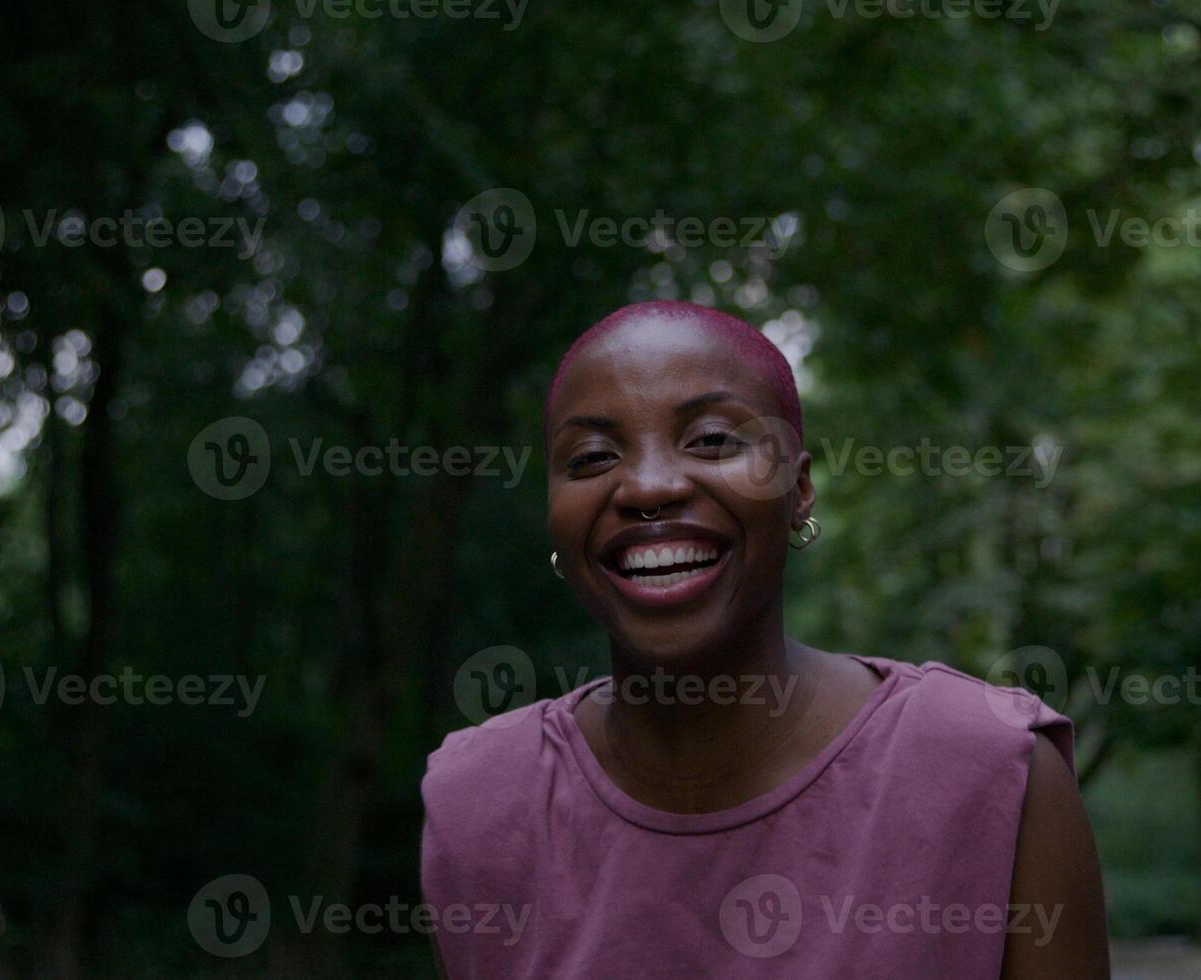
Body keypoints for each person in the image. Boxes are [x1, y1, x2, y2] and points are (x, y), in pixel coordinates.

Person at [420, 300, 1109, 978]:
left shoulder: (994, 771)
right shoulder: (481, 801)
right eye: (592, 457)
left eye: (714, 440)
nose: (649, 487)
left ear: (800, 490)